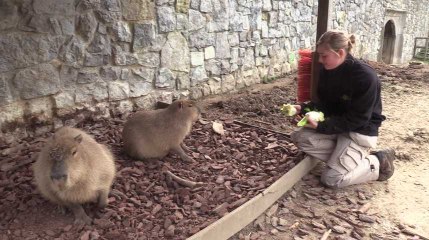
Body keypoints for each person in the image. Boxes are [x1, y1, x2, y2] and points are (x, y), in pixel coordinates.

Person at [290, 30, 395, 188]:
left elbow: (359, 119)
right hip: (338, 129)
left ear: (339, 53)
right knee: (299, 137)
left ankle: (377, 162)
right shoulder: (328, 70)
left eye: (324, 55)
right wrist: (303, 108)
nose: (320, 60)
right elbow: (325, 104)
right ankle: (344, 158)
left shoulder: (365, 77)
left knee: (332, 179)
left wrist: (321, 126)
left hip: (359, 133)